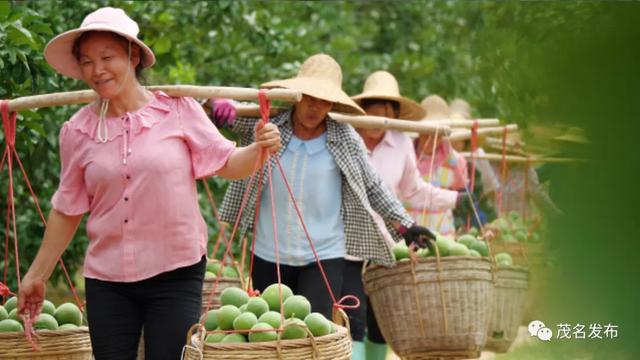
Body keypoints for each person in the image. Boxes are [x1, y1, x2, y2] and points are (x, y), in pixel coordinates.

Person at [17, 7, 281, 360]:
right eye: (87, 62)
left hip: (176, 271)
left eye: (107, 57)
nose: (97, 70)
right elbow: (68, 209)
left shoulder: (178, 110)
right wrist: (37, 273)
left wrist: (259, 149)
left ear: (134, 55)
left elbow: (228, 163)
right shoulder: (77, 131)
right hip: (107, 279)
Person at [215, 55, 437, 356]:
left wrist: (405, 226)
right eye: (308, 97)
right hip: (268, 251)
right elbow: (217, 114)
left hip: (322, 256)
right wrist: (217, 106)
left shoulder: (345, 138)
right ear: (296, 96)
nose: (314, 107)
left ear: (332, 104)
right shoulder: (267, 125)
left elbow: (373, 186)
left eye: (324, 101)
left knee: (311, 340)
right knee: (266, 340)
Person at [346, 71, 465, 360]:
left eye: (387, 109)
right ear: (363, 110)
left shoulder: (400, 144)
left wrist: (455, 200)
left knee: (379, 323)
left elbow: (413, 190)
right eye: (374, 108)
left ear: (395, 113)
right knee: (353, 319)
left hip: (386, 244)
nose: (380, 116)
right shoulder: (346, 138)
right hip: (344, 245)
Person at [410, 95, 469, 236]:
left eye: (436, 134)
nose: (431, 139)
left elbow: (461, 192)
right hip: (407, 238)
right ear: (418, 130)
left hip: (443, 237)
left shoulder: (455, 161)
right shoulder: (405, 156)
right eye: (426, 133)